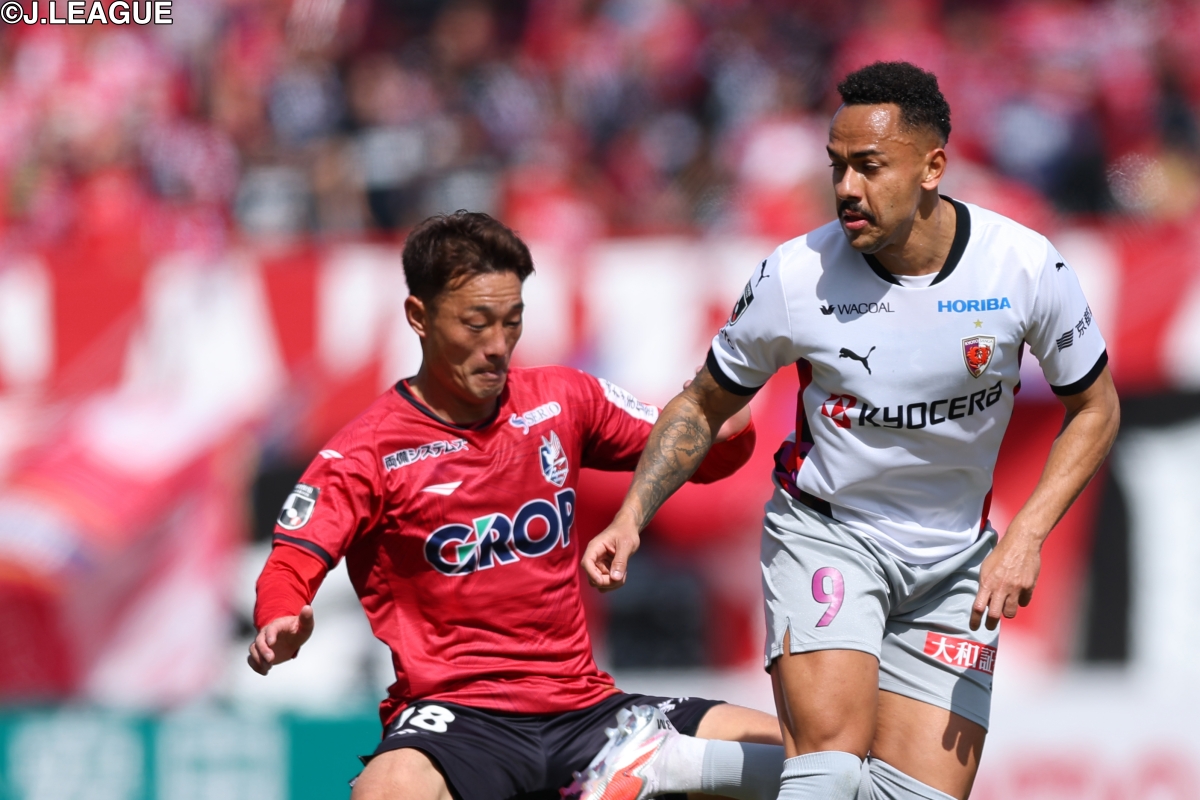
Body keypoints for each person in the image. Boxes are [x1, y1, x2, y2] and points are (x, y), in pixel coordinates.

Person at [582, 61, 1120, 800]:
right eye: (836, 166)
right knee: (830, 774)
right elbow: (702, 403)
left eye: (869, 166)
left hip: (956, 561)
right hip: (829, 534)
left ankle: (683, 763)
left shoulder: (1024, 267)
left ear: (933, 167)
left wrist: (1026, 534)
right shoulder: (794, 277)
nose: (846, 188)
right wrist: (632, 514)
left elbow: (1096, 407)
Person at [247, 211, 786, 800]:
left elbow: (698, 456)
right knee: (386, 791)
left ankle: (632, 767)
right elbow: (292, 560)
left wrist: (724, 419)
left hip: (584, 709)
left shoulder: (563, 399)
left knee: (814, 756)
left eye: (513, 322)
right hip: (458, 718)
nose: (498, 347)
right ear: (419, 317)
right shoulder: (364, 451)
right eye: (476, 324)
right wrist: (281, 614)